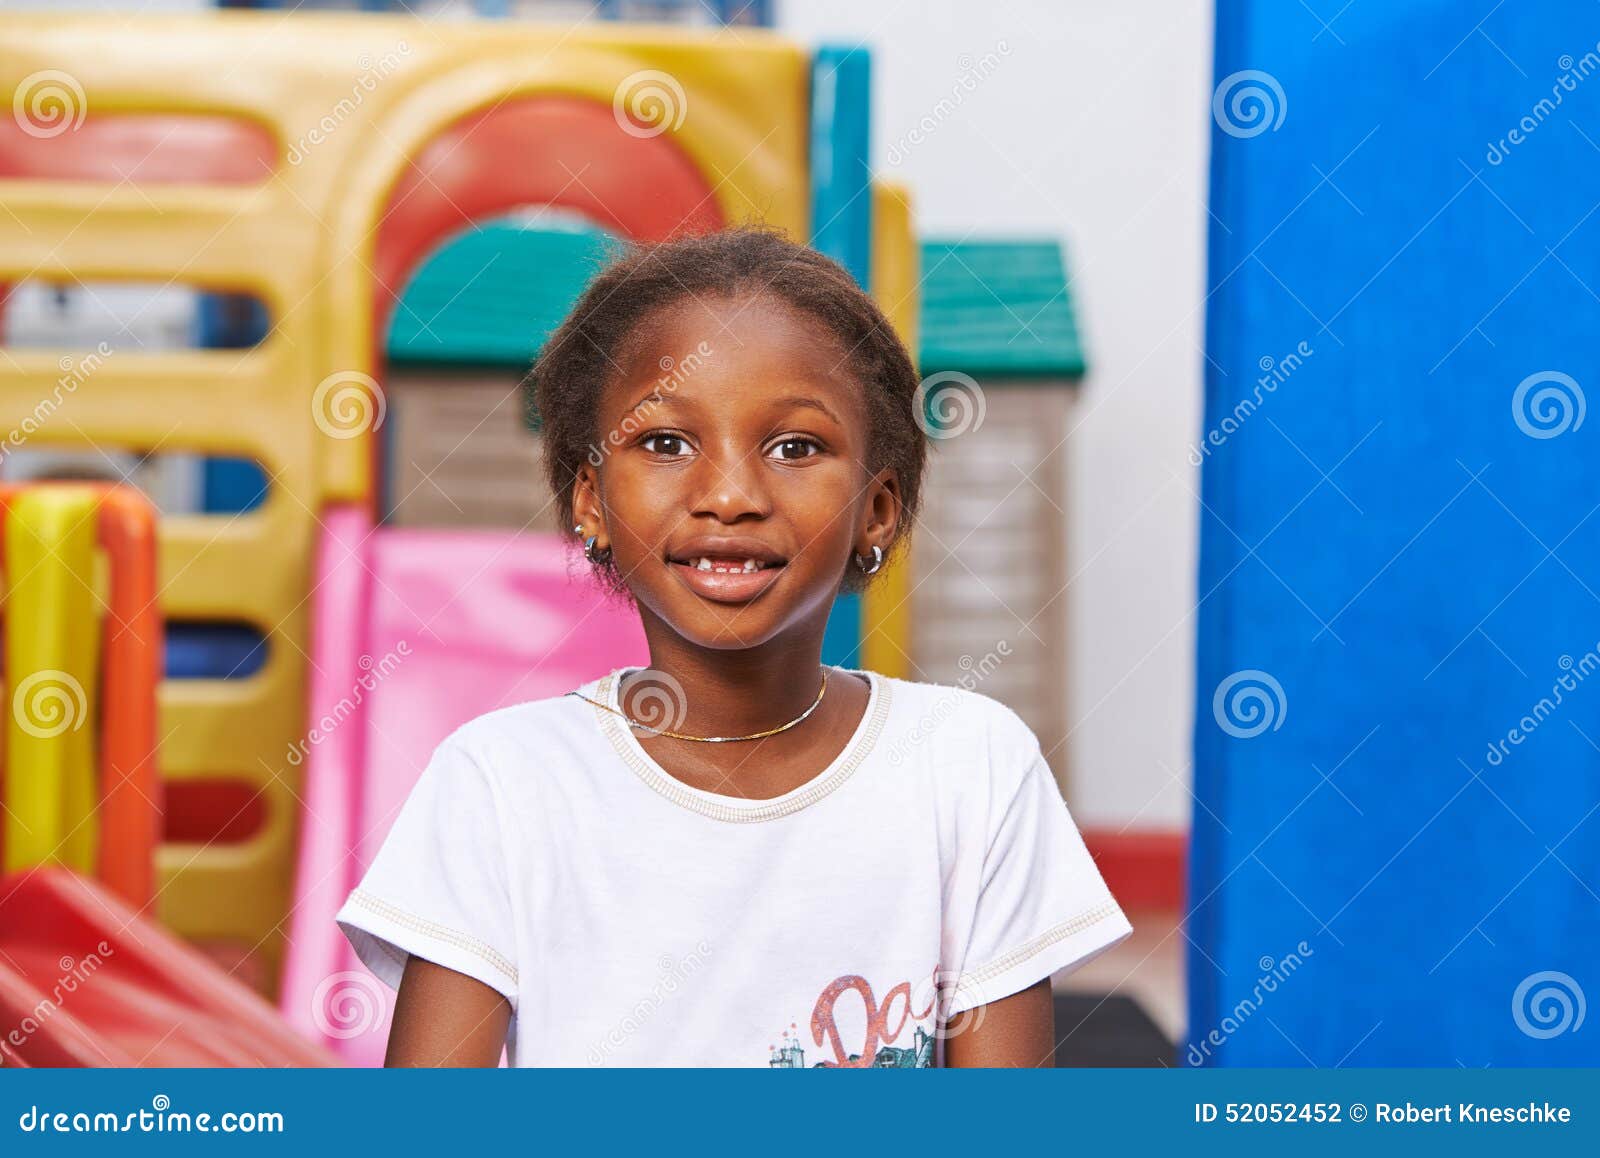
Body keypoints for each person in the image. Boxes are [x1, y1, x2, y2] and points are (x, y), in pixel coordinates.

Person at [334, 225, 1132, 1067]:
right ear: (591, 502)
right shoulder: (502, 784)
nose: (729, 495)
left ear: (880, 507)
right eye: (665, 442)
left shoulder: (970, 768)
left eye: (795, 447)